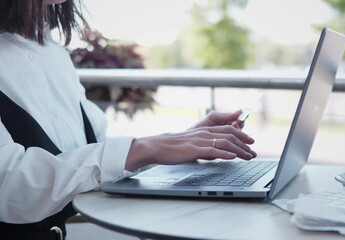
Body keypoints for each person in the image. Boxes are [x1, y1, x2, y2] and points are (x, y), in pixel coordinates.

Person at [0, 0, 257, 239]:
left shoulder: (54, 54)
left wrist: (181, 143)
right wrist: (145, 149)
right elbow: (8, 188)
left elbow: (93, 162)